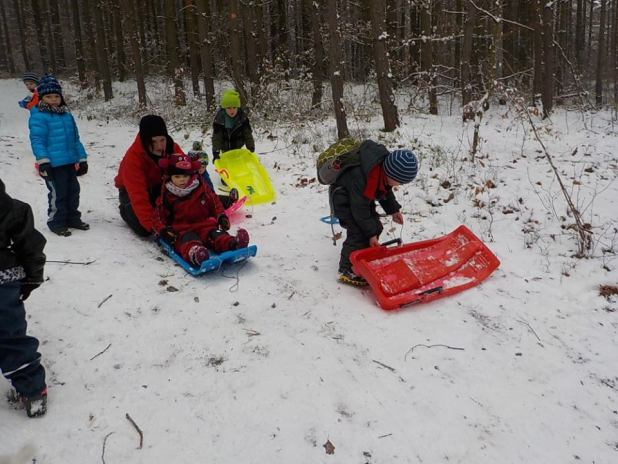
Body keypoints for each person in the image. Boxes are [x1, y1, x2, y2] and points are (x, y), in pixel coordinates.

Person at [331, 140, 418, 286]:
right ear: (391, 175)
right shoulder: (363, 177)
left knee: (375, 226)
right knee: (358, 232)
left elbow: (385, 191)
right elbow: (359, 210)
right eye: (400, 182)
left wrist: (393, 210)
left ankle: (363, 254)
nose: (399, 185)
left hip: (360, 199)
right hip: (344, 200)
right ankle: (346, 269)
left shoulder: (381, 172)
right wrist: (370, 234)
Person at [0, 179, 48, 417]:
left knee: (9, 333)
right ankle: (32, 388)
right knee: (10, 336)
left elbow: (29, 244)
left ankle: (32, 390)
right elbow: (30, 246)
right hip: (3, 280)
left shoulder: (11, 209)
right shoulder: (11, 208)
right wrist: (32, 277)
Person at [154, 154, 250, 267]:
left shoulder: (200, 187)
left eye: (185, 176)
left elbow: (214, 202)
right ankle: (196, 253)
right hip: (182, 230)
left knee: (216, 235)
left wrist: (221, 216)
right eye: (177, 176)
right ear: (171, 177)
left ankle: (233, 243)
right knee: (188, 241)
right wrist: (163, 230)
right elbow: (157, 217)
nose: (182, 180)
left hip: (204, 225)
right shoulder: (166, 195)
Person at [28, 74, 89, 236]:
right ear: (41, 98)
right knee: (58, 193)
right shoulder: (39, 116)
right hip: (53, 165)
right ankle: (56, 221)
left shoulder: (67, 115)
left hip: (69, 162)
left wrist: (82, 159)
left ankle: (72, 217)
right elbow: (37, 140)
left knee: (73, 191)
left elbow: (76, 139)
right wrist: (43, 161)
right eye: (49, 96)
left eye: (56, 96)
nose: (54, 99)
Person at [115, 115, 185, 237]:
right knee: (144, 229)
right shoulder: (133, 158)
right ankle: (126, 210)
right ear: (145, 140)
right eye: (153, 142)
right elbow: (138, 196)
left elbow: (186, 173)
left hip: (161, 185)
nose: (159, 146)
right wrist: (155, 228)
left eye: (162, 140)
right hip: (131, 191)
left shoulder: (172, 148)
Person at [211, 89, 255, 161]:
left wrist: (250, 147)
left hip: (238, 148)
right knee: (227, 164)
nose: (232, 110)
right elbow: (217, 137)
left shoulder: (242, 118)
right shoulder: (219, 120)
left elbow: (247, 134)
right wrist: (216, 152)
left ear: (238, 107)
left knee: (237, 164)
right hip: (225, 148)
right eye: (229, 108)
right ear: (224, 108)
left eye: (234, 107)